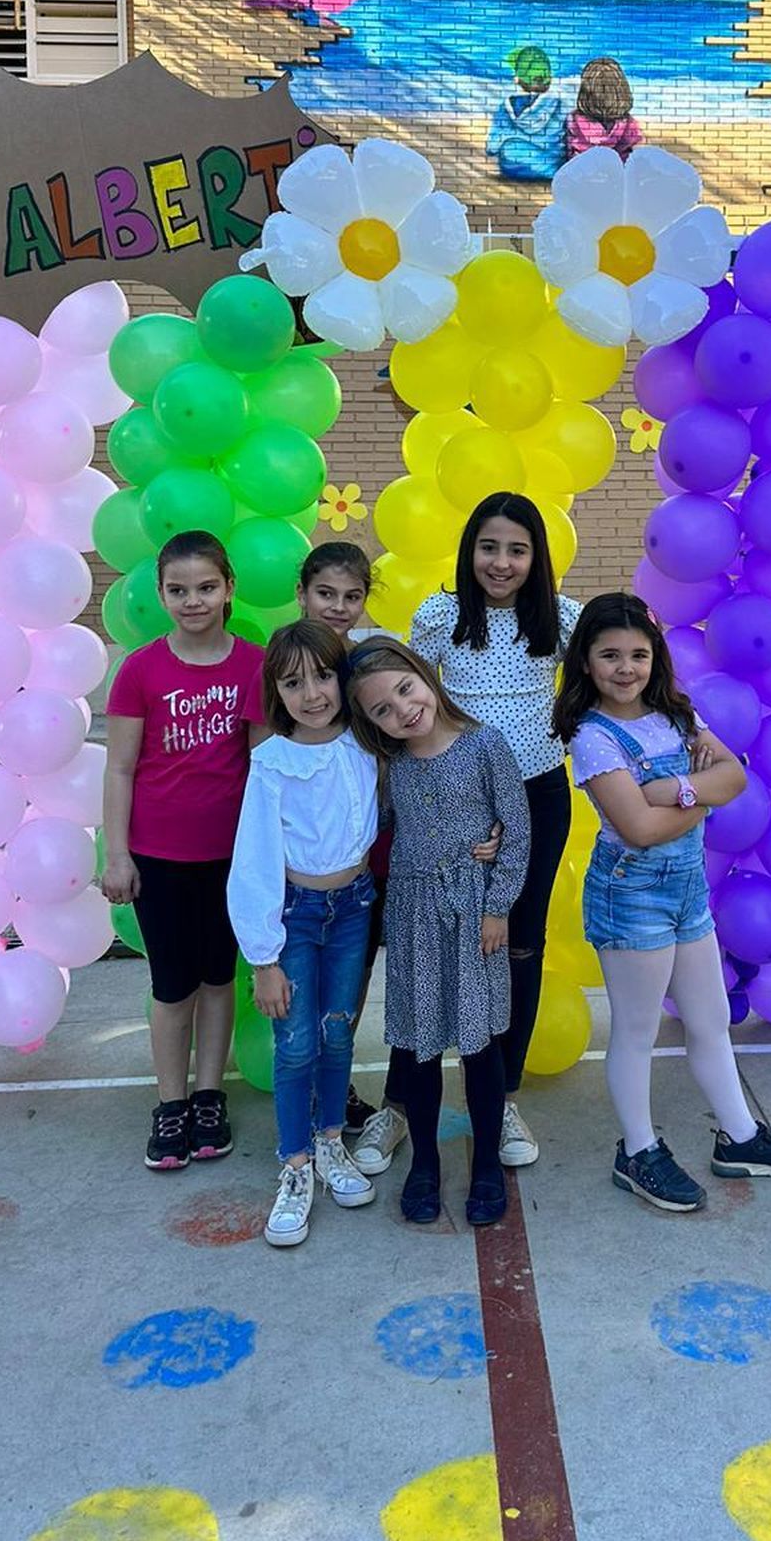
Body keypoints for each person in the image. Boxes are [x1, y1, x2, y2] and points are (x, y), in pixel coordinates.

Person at [554, 592, 771, 1212]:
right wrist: (699, 798)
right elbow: (638, 830)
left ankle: (742, 1136)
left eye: (639, 655)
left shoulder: (676, 714)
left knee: (709, 1019)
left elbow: (734, 777)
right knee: (638, 1029)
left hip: (686, 894)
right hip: (632, 897)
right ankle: (639, 1149)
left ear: (656, 658)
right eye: (610, 655)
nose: (626, 668)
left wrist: (670, 790)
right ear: (586, 663)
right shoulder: (594, 738)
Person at [411, 494, 579, 1170]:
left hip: (538, 797)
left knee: (518, 940)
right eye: (489, 547)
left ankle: (501, 1094)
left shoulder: (561, 619)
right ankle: (410, 1096)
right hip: (454, 802)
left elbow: (615, 680)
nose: (501, 562)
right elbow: (408, 702)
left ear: (536, 556)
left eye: (517, 549)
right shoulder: (439, 615)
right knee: (441, 940)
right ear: (468, 550)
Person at [347, 639, 530, 1228]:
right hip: (413, 917)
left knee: (479, 1046)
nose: (402, 710)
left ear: (424, 675)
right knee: (419, 1044)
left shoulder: (484, 744)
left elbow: (517, 829)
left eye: (405, 689)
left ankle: (484, 1168)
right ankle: (424, 1161)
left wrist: (497, 905)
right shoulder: (389, 764)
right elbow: (382, 827)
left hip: (476, 915)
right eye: (381, 709)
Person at [101, 532, 265, 1171]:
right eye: (178, 590)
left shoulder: (252, 665)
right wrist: (118, 856)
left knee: (219, 978)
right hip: (160, 857)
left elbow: (260, 765)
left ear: (227, 588)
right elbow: (119, 770)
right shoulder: (142, 669)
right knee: (172, 986)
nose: (192, 601)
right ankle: (170, 1104)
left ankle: (208, 1095)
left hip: (230, 858)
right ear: (162, 594)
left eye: (205, 588)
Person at [227, 619, 381, 1246]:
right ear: (277, 693)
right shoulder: (271, 762)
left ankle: (329, 1144)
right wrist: (263, 957)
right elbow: (255, 858)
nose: (312, 694)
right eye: (294, 683)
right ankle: (294, 1166)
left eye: (323, 676)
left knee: (338, 1030)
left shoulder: (369, 746)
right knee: (295, 1044)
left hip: (354, 908)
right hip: (294, 916)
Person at [295, 540, 407, 1168]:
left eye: (352, 596)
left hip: (373, 847)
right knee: (310, 970)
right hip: (310, 857)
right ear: (302, 593)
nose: (338, 607)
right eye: (325, 594)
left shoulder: (369, 661)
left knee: (353, 974)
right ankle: (310, 1087)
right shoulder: (289, 663)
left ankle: (336, 1088)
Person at [486, 45, 566, 181]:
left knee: (509, 148)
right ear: (548, 79)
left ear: (517, 79)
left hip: (511, 168)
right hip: (549, 168)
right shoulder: (558, 106)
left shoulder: (505, 108)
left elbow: (492, 147)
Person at [564, 57, 643, 163]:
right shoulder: (629, 124)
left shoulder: (573, 120)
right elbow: (635, 155)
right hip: (618, 174)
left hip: (583, 175)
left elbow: (568, 154)